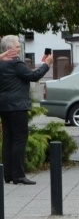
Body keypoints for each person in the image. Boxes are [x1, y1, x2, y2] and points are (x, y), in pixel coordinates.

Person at [0, 35, 53, 185]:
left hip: (4, 106)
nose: (19, 48)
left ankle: (8, 175)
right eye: (17, 46)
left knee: (8, 139)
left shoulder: (1, 64)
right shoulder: (15, 63)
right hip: (17, 106)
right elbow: (33, 76)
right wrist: (47, 64)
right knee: (19, 139)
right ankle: (18, 175)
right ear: (9, 49)